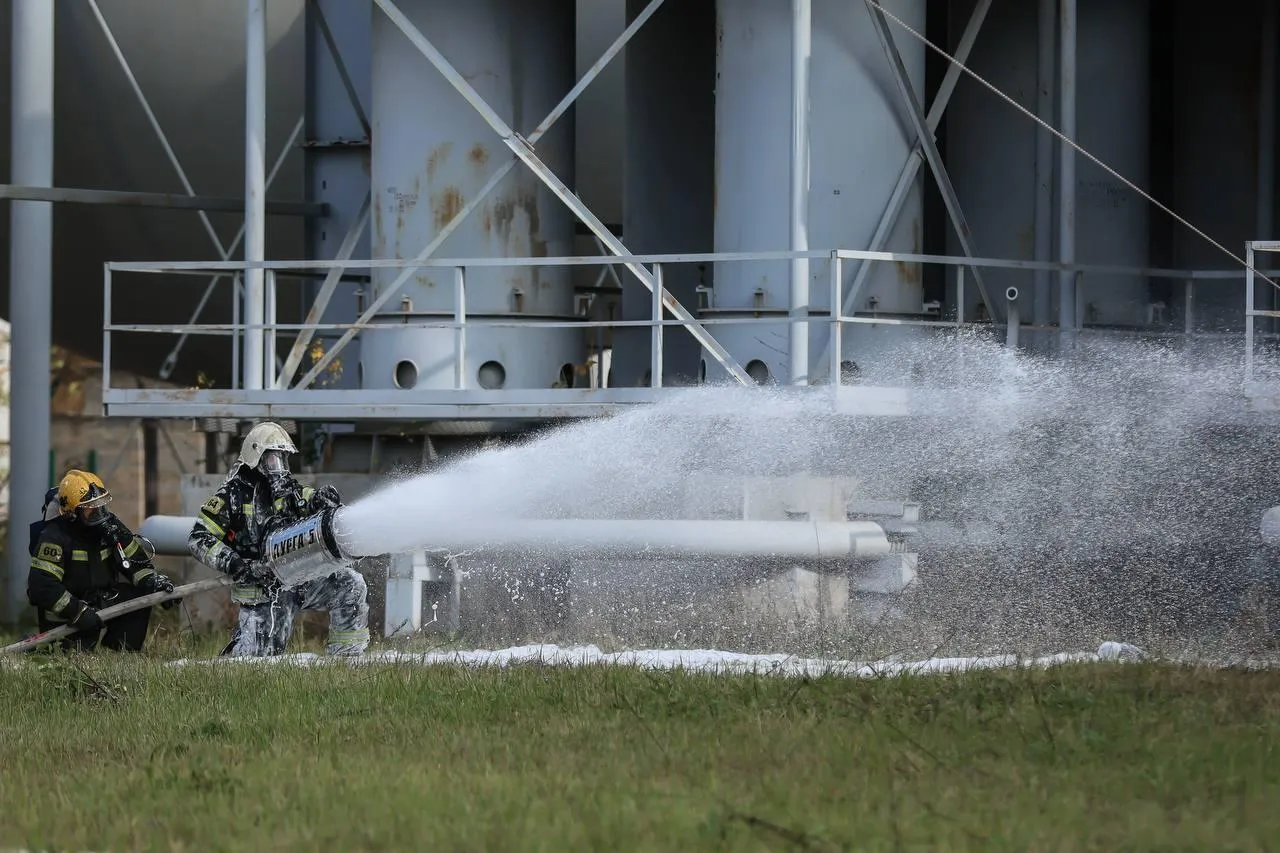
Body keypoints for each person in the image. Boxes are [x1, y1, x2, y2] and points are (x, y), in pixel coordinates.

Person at [186, 421, 370, 657]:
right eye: (273, 458)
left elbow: (305, 499)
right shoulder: (232, 495)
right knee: (256, 663)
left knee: (350, 584)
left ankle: (348, 658)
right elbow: (198, 539)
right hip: (263, 589)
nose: (279, 466)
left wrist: (321, 500)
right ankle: (230, 660)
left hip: (300, 579)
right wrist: (237, 565)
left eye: (283, 459)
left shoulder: (286, 489)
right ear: (256, 456)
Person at [27, 469, 175, 652]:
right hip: (66, 614)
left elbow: (137, 563)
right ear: (73, 513)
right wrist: (78, 612)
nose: (99, 511)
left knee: (137, 594)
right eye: (91, 507)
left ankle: (122, 654)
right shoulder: (55, 537)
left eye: (101, 504)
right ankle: (40, 649)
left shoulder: (110, 526)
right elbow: (42, 586)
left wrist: (154, 583)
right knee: (70, 661)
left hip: (99, 600)